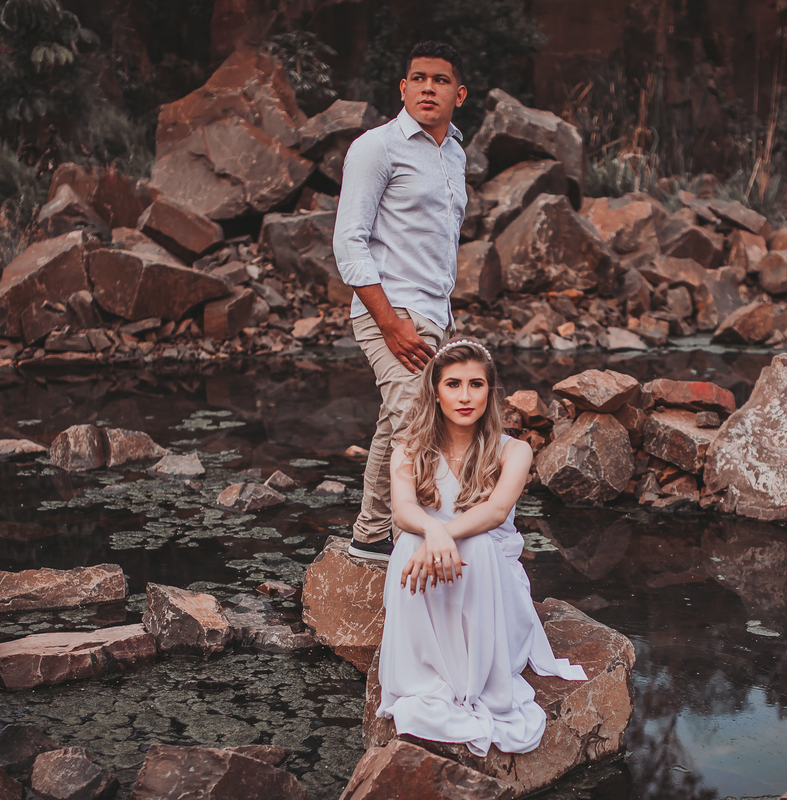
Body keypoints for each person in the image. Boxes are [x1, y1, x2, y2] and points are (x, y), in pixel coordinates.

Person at [377, 339, 587, 756]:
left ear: (490, 392)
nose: (465, 396)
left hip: (488, 577)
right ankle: (423, 676)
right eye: (453, 384)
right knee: (410, 542)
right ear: (435, 391)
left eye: (476, 384)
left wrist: (444, 534)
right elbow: (402, 511)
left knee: (476, 543)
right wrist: (433, 532)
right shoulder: (408, 450)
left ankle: (473, 673)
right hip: (430, 569)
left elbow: (495, 511)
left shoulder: (515, 450)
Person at [333, 41, 469, 562]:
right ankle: (412, 540)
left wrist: (443, 319)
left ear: (459, 94)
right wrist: (389, 322)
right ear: (403, 88)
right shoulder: (377, 147)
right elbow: (349, 240)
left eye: (440, 80)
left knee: (397, 424)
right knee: (417, 426)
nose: (427, 88)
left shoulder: (454, 153)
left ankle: (370, 537)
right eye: (418, 78)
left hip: (434, 314)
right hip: (390, 311)